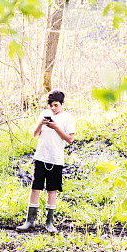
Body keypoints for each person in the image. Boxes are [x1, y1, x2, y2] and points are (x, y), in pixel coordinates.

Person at [17, 90, 75, 234]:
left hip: (56, 158)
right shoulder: (43, 114)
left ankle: (49, 223)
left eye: (56, 105)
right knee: (35, 188)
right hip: (41, 156)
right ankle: (29, 221)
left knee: (52, 190)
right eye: (51, 105)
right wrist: (41, 124)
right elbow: (35, 134)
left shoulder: (67, 118)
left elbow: (69, 139)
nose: (53, 108)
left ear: (62, 104)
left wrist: (56, 127)